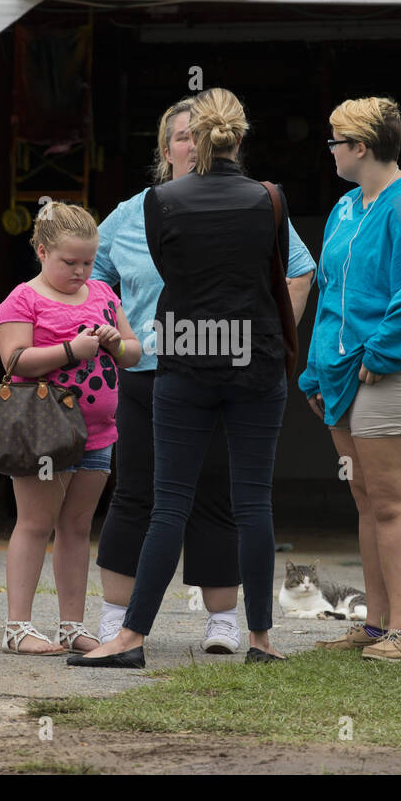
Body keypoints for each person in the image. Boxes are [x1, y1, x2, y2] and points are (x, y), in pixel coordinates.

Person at [69, 87, 290, 668]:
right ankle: (262, 642)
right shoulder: (269, 199)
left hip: (184, 359)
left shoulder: (158, 201)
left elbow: (171, 274)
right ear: (240, 138)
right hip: (253, 359)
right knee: (252, 503)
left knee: (167, 503)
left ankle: (131, 637)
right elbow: (276, 275)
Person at [300, 96, 401, 663]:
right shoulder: (345, 207)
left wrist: (382, 354)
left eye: (336, 142)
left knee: (392, 503)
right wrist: (315, 371)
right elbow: (331, 295)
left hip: (395, 373)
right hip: (341, 376)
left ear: (360, 147)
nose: (331, 151)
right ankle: (375, 624)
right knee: (366, 502)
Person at [0, 202, 142, 654]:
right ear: (41, 251)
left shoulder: (103, 294)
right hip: (43, 431)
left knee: (77, 527)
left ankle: (71, 625)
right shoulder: (24, 298)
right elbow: (15, 359)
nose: (80, 271)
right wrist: (71, 350)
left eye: (88, 262)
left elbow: (134, 352)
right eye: (69, 262)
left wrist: (118, 344)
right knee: (36, 523)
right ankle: (17, 626)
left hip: (97, 433)